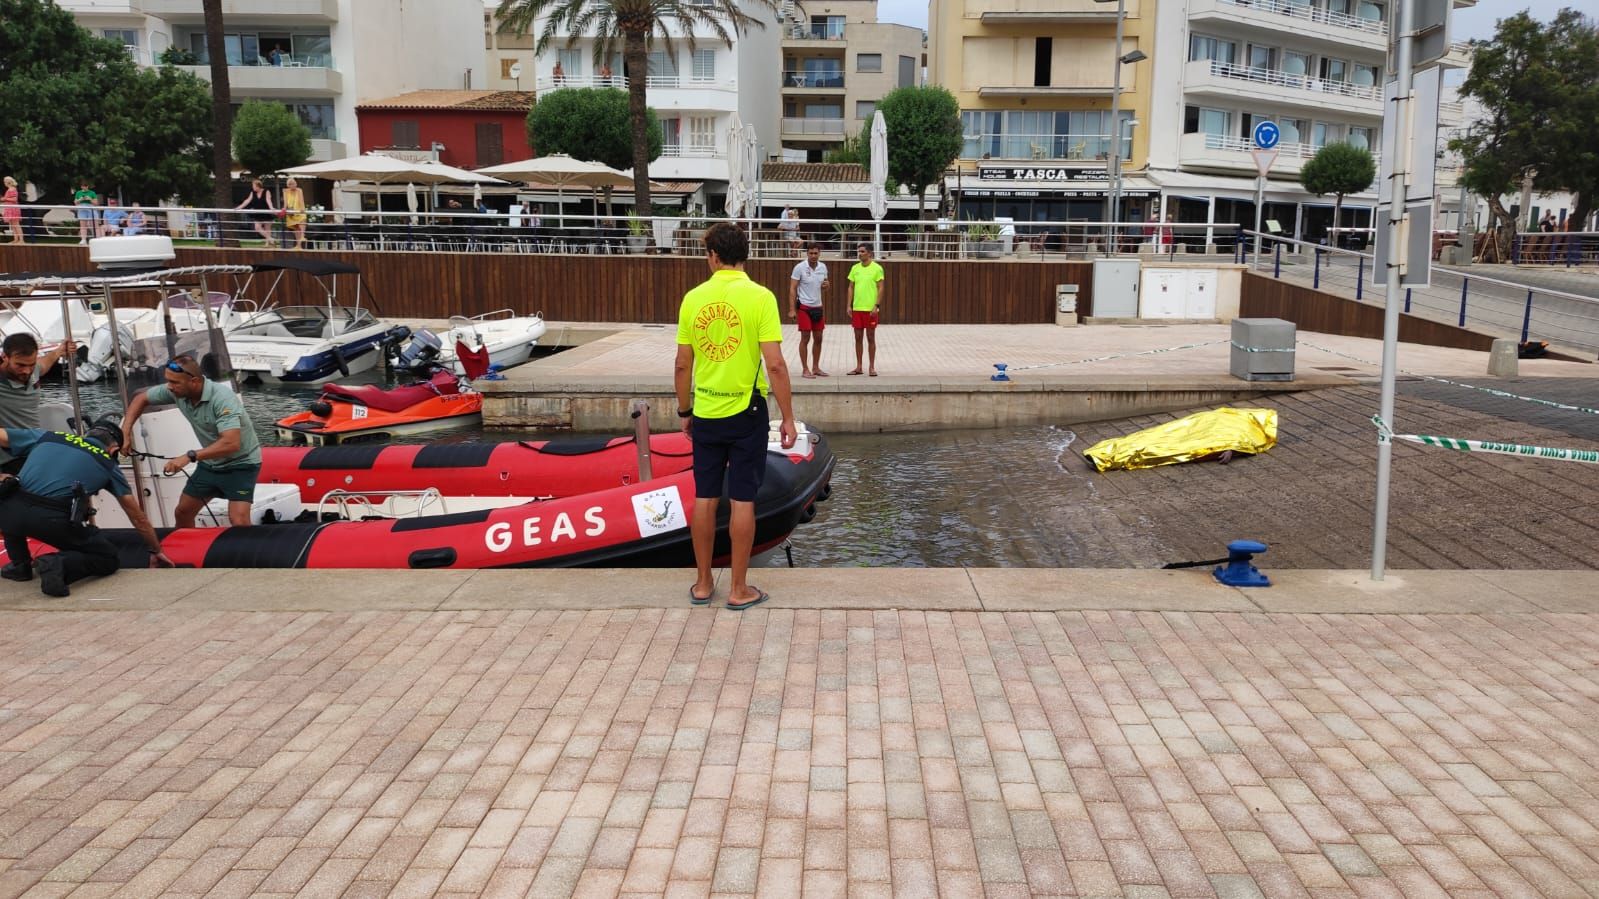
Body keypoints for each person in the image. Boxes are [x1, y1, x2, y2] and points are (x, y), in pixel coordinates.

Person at [674, 222, 797, 610]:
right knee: (743, 500)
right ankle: (739, 589)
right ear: (744, 254)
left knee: (705, 498)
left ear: (713, 255)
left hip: (706, 410)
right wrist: (789, 418)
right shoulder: (761, 297)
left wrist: (685, 411)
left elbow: (681, 365)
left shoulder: (693, 298)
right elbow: (775, 365)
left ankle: (703, 583)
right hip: (747, 411)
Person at [0, 420, 173, 597]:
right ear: (113, 450)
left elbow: (2, 435)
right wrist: (156, 550)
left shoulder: (48, 436)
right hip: (51, 520)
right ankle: (58, 563)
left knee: (11, 505)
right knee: (108, 559)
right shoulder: (108, 464)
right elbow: (138, 517)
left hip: (7, 512)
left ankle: (20, 566)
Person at [121, 355, 262, 528]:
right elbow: (140, 399)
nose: (170, 387)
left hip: (241, 463)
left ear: (194, 381)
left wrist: (189, 456)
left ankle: (247, 553)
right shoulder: (177, 391)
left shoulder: (222, 399)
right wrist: (125, 432)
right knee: (182, 512)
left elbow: (231, 443)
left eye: (175, 382)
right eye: (168, 381)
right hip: (211, 464)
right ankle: (187, 551)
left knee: (238, 520)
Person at [0, 333, 77, 476]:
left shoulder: (34, 370)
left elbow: (44, 363)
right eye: (20, 365)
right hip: (9, 457)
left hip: (36, 447)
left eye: (31, 364)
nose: (27, 371)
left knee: (79, 473)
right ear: (5, 357)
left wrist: (60, 350)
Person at [789, 242, 830, 378]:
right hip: (804, 307)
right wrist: (792, 309)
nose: (813, 256)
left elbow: (824, 286)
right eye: (811, 253)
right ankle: (805, 369)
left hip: (818, 306)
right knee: (805, 337)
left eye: (816, 253)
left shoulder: (823, 267)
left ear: (819, 254)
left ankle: (816, 367)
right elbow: (793, 288)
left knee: (818, 338)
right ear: (807, 253)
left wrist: (826, 286)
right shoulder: (799, 268)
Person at [845, 243, 885, 376]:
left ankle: (872, 367)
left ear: (869, 253)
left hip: (870, 309)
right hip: (857, 308)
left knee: (870, 337)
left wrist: (876, 305)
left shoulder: (877, 268)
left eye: (862, 251)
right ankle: (859, 366)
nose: (860, 253)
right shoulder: (854, 268)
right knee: (858, 337)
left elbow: (881, 288)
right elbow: (851, 287)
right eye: (859, 251)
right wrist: (849, 305)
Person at [234, 178, 275, 244]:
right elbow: (247, 201)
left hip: (266, 212)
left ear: (258, 186)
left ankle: (268, 244)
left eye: (254, 186)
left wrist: (271, 208)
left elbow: (268, 200)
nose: (253, 187)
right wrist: (239, 207)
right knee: (257, 227)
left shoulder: (266, 191)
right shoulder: (252, 193)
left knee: (267, 228)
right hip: (258, 213)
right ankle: (271, 239)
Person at [282, 177, 308, 249]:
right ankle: (298, 245)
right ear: (288, 185)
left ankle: (302, 236)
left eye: (294, 183)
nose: (294, 185)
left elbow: (301, 200)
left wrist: (302, 208)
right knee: (296, 228)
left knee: (302, 220)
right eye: (291, 184)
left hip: (298, 210)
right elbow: (285, 201)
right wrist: (284, 208)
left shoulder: (299, 190)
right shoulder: (285, 191)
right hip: (291, 211)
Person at [73, 181, 97, 245]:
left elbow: (96, 203)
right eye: (83, 186)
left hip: (90, 208)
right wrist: (80, 200)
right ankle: (83, 239)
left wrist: (90, 199)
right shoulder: (78, 193)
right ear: (81, 187)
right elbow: (75, 203)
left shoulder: (92, 193)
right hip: (81, 208)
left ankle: (95, 238)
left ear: (87, 186)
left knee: (94, 225)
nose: (84, 187)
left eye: (85, 186)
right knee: (83, 225)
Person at [1, 176, 22, 245]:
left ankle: (21, 240)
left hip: (13, 209)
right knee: (13, 225)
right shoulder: (10, 189)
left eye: (5, 182)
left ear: (8, 182)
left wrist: (5, 199)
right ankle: (16, 239)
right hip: (10, 208)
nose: (4, 183)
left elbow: (14, 199)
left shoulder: (12, 189)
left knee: (16, 224)